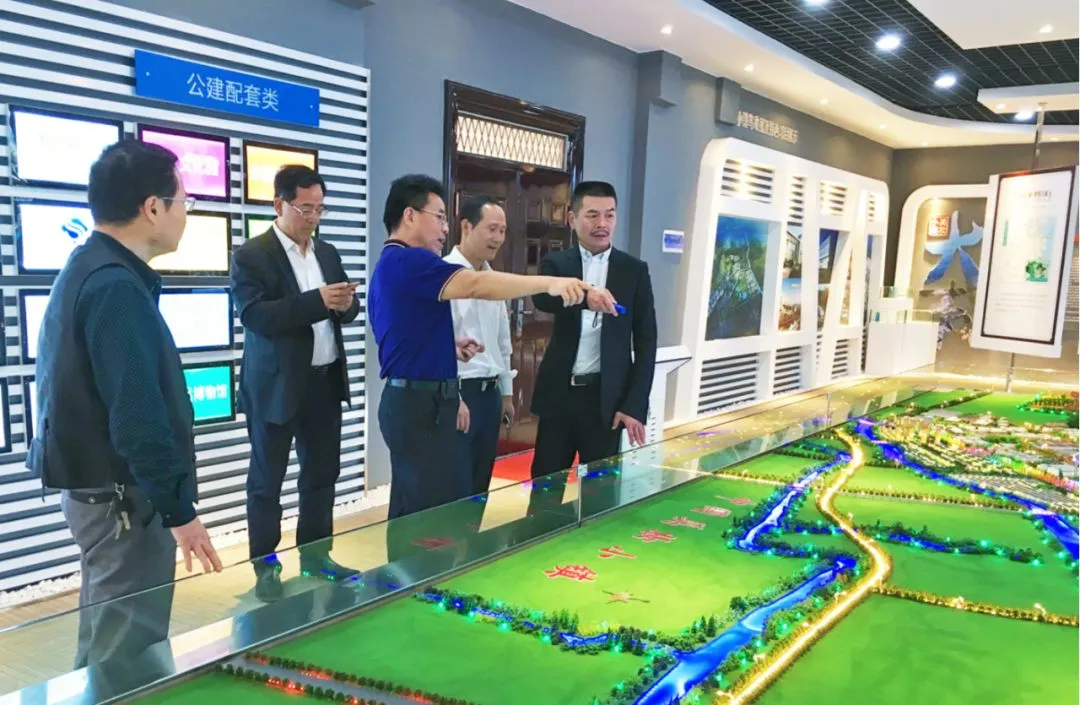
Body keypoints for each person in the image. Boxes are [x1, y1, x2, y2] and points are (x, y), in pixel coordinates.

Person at [27, 139, 222, 669]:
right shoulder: (115, 287)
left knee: (107, 638)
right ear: (153, 208)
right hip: (125, 503)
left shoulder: (92, 266)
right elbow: (137, 417)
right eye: (183, 201)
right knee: (124, 651)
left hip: (109, 495)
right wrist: (179, 510)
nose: (186, 214)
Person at [368, 174, 614, 559]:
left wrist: (446, 349)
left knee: (416, 507)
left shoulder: (394, 263)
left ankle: (405, 580)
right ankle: (424, 580)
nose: (445, 228)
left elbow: (399, 333)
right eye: (439, 217)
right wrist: (550, 283)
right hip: (422, 406)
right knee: (435, 514)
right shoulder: (410, 260)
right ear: (410, 215)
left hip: (416, 399)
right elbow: (476, 286)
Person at [231, 165, 360, 602]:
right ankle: (265, 567)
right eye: (305, 208)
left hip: (324, 382)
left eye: (320, 208)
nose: (313, 217)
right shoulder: (253, 254)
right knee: (267, 481)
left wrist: (345, 305)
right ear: (279, 204)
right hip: (276, 387)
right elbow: (255, 316)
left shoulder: (327, 252)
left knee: (322, 475)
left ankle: (316, 556)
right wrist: (317, 302)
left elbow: (345, 311)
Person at [530, 181, 658, 490]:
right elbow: (542, 299)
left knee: (600, 491)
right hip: (559, 395)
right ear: (572, 219)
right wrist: (586, 298)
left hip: (607, 399)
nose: (602, 224)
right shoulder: (556, 264)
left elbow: (646, 341)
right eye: (592, 215)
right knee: (546, 487)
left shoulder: (633, 270)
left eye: (609, 215)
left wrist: (634, 404)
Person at [444, 195, 516, 498]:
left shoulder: (493, 278)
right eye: (492, 229)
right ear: (466, 227)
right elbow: (440, 342)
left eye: (502, 231)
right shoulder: (443, 274)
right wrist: (454, 397)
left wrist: (507, 394)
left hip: (490, 396)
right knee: (455, 483)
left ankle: (474, 531)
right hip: (460, 393)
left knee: (480, 484)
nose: (498, 238)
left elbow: (502, 341)